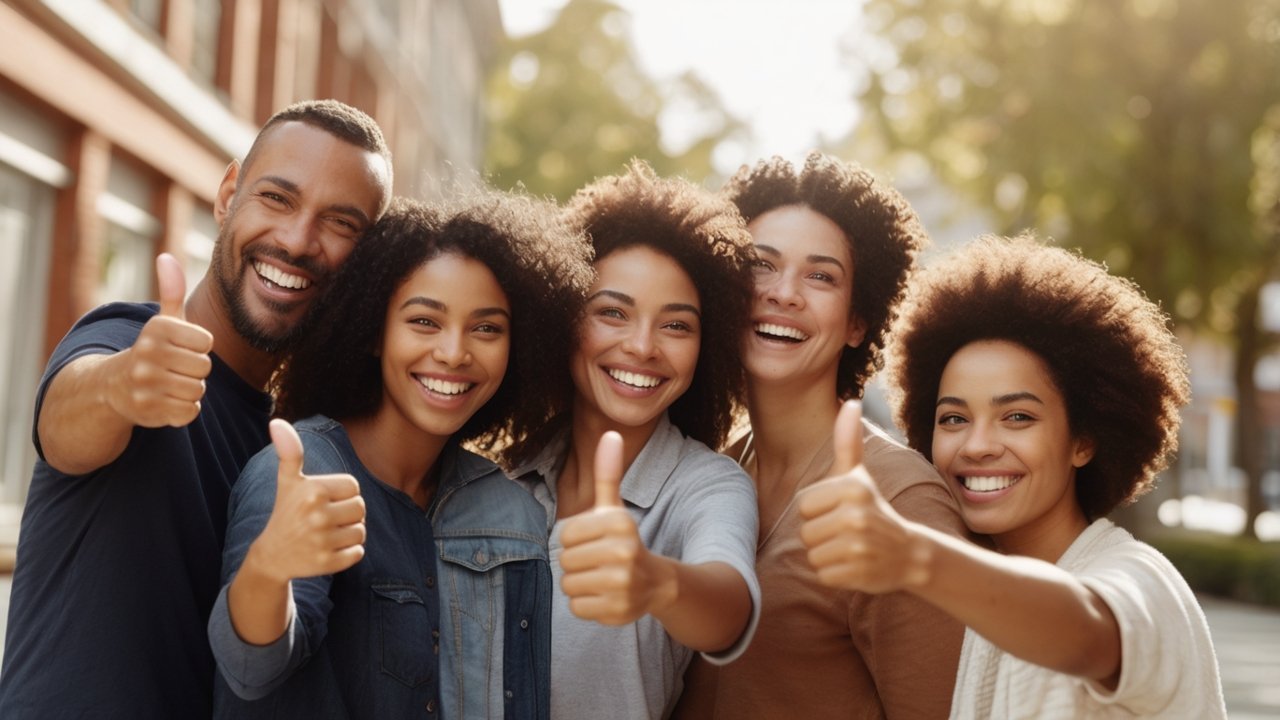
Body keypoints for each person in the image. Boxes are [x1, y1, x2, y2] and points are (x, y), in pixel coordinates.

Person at [0, 100, 393, 719]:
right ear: (227, 194)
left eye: (340, 224)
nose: (296, 240)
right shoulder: (128, 339)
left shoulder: (294, 448)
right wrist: (123, 385)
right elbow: (65, 426)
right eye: (277, 198)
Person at [803, 234, 1226, 718]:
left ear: (1083, 441)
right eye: (954, 419)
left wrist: (914, 556)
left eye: (1018, 417)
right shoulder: (971, 602)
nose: (978, 445)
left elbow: (1085, 632)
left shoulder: (1140, 577)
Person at [208, 194, 591, 719]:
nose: (454, 352)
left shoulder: (511, 513)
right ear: (374, 333)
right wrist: (269, 570)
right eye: (424, 322)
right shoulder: (303, 471)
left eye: (486, 328)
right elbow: (251, 667)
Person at [675, 153, 972, 719]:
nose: (784, 293)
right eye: (761, 264)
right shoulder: (714, 471)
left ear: (858, 321)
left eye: (821, 275)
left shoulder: (900, 500)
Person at [503, 161, 762, 720]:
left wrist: (655, 582)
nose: (642, 346)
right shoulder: (505, 472)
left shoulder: (706, 485)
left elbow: (729, 608)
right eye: (612, 313)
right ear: (562, 320)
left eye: (676, 325)